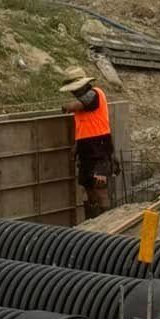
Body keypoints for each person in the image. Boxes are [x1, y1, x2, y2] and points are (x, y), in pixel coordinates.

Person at [61, 73, 114, 218]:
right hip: (86, 149)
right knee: (88, 187)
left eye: (74, 89)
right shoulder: (85, 99)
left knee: (100, 186)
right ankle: (93, 222)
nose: (73, 92)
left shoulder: (94, 94)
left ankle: (107, 222)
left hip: (100, 148)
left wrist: (66, 106)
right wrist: (77, 145)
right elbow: (83, 127)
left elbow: (75, 106)